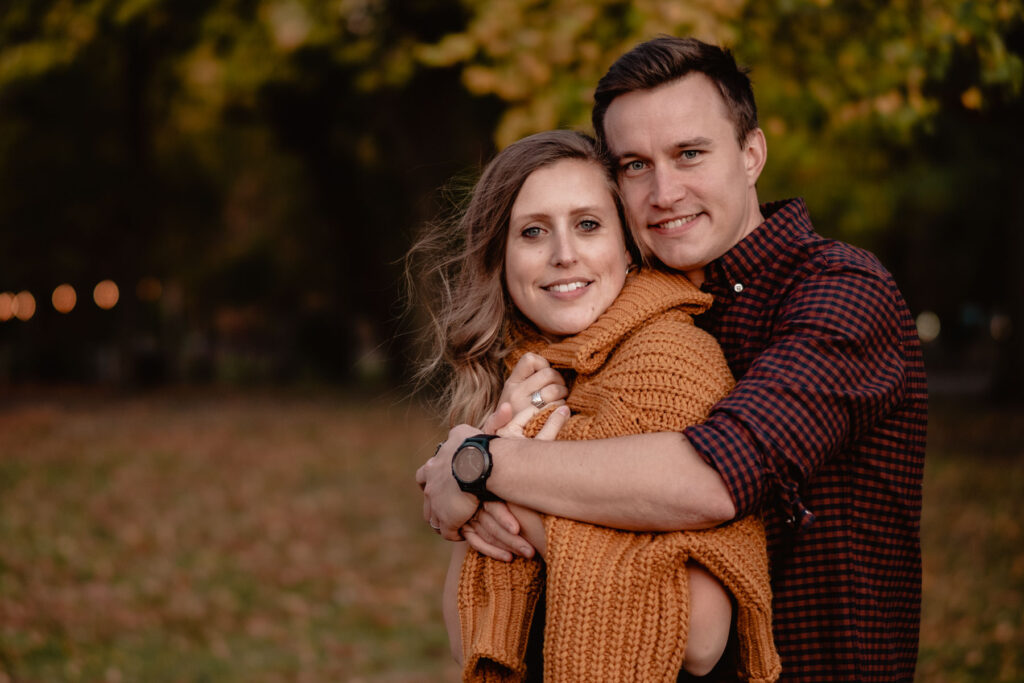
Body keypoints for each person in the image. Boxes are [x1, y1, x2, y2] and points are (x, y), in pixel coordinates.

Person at [416, 37, 927, 682]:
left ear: (751, 154)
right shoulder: (628, 317)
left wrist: (482, 463)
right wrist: (487, 459)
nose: (664, 191)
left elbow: (716, 476)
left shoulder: (841, 293)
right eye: (634, 164)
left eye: (689, 154)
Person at [410, 129, 780, 681]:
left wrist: (494, 473)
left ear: (627, 246)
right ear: (501, 257)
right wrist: (494, 443)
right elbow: (470, 639)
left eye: (588, 225)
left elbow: (701, 637)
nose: (564, 255)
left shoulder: (671, 362)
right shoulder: (534, 375)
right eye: (533, 232)